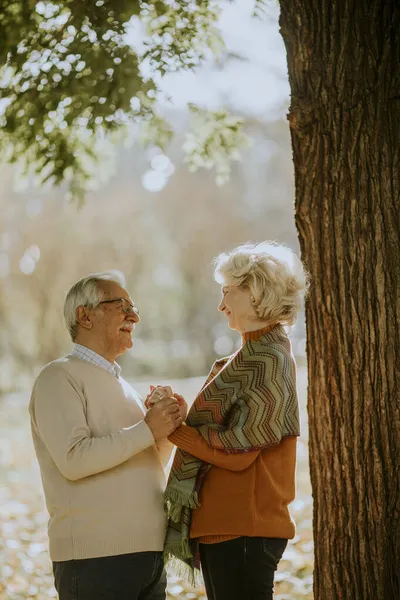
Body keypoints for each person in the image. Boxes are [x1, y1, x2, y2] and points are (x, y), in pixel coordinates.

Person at [163, 242, 308, 600]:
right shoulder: (245, 358)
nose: (221, 303)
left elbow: (241, 448)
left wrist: (182, 434)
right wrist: (186, 414)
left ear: (256, 292)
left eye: (228, 291)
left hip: (246, 525)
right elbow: (226, 429)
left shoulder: (268, 360)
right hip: (224, 524)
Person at [29, 270, 182, 600]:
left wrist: (166, 430)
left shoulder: (124, 386)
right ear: (84, 315)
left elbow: (147, 463)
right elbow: (74, 459)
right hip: (94, 563)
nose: (135, 315)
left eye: (134, 306)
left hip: (150, 558)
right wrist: (147, 428)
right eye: (121, 305)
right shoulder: (58, 377)